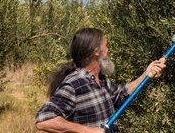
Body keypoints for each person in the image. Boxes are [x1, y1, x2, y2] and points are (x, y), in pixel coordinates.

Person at [35, 28, 166, 132]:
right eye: (106, 46)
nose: (108, 50)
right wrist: (87, 131)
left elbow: (121, 94)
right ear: (96, 51)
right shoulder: (74, 84)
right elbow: (44, 120)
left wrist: (146, 74)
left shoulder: (102, 80)